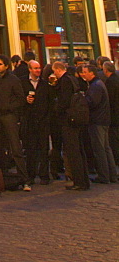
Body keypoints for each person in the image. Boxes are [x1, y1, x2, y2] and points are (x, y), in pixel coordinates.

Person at [0, 54, 29, 190]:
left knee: (15, 146)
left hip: (9, 115)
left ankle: (24, 179)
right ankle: (3, 177)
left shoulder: (13, 79)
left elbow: (20, 98)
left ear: (6, 66)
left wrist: (9, 107)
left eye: (0, 64)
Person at [52, 60, 89, 191]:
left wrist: (56, 109)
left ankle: (79, 181)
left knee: (73, 151)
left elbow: (64, 101)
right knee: (79, 150)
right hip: (77, 119)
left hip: (69, 120)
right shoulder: (73, 79)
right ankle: (84, 179)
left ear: (57, 70)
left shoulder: (64, 81)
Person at [80, 62, 117, 184]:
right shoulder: (98, 84)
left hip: (98, 121)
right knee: (106, 148)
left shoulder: (95, 86)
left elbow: (92, 102)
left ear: (92, 73)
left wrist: (83, 99)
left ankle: (104, 176)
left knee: (100, 149)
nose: (83, 75)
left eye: (85, 72)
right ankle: (111, 175)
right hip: (103, 120)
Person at [20, 60, 51, 186]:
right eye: (35, 68)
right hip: (29, 120)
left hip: (42, 120)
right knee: (30, 149)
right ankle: (31, 175)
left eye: (39, 68)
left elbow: (49, 102)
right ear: (30, 69)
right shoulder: (23, 82)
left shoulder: (45, 83)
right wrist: (25, 100)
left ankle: (44, 175)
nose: (38, 70)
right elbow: (18, 99)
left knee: (44, 149)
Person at [101, 59, 119, 166]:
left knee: (114, 137)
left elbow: (110, 99)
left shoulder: (110, 82)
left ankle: (116, 158)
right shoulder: (116, 79)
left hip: (114, 114)